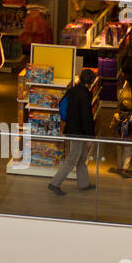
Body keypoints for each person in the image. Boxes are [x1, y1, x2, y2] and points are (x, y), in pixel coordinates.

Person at [47, 68, 97, 196]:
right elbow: (86, 117)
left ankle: (84, 183)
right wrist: (90, 137)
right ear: (91, 81)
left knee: (81, 157)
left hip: (71, 128)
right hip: (78, 131)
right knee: (72, 158)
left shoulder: (73, 90)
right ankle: (55, 183)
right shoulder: (85, 95)